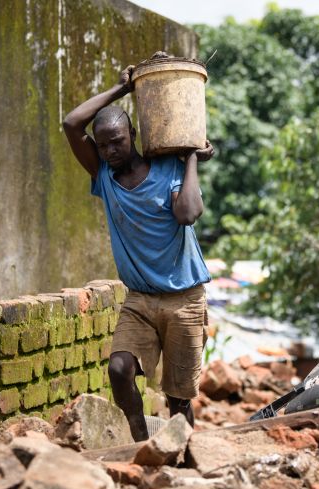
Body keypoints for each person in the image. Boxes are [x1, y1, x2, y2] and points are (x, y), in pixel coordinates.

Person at [63, 65, 213, 440]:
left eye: (117, 140)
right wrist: (119, 89)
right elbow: (70, 123)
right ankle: (141, 443)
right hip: (140, 301)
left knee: (178, 400)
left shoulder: (167, 167)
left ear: (132, 134)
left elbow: (188, 213)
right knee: (118, 369)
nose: (111, 150)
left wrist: (192, 156)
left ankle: (184, 460)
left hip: (185, 301)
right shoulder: (103, 177)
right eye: (103, 144)